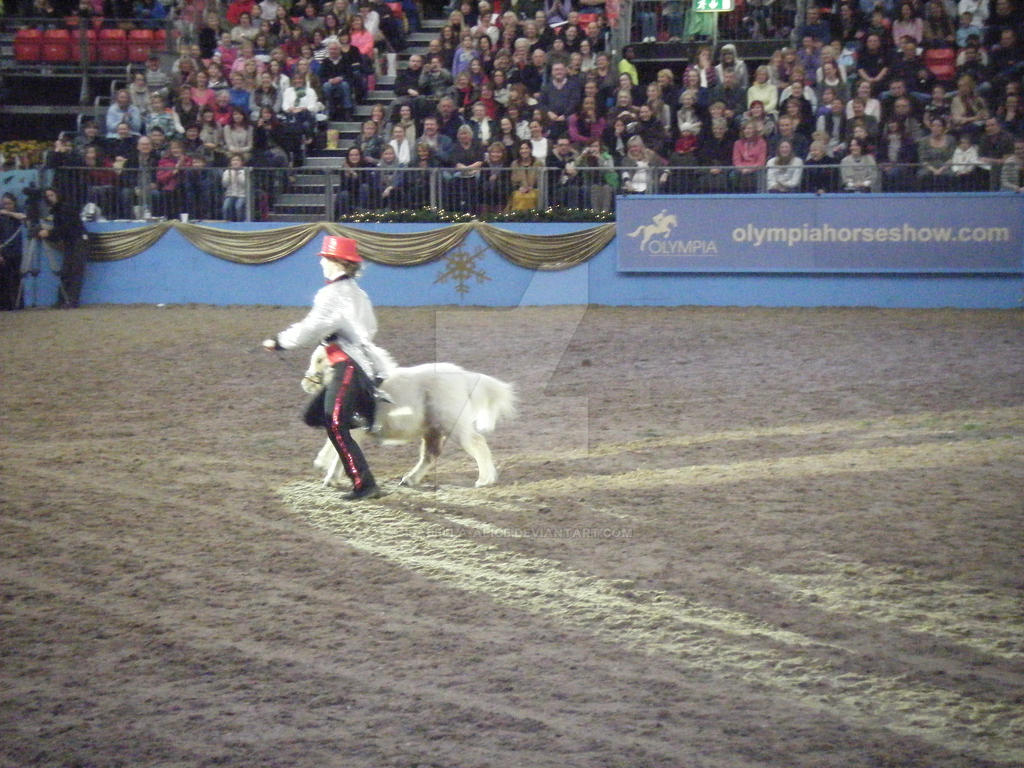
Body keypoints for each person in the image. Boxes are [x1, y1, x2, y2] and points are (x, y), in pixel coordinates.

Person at [262, 235, 393, 500]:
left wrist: (280, 341)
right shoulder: (358, 293)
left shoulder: (333, 294)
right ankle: (358, 414)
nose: (321, 263)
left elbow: (313, 327)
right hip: (359, 364)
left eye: (324, 258)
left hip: (349, 364)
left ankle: (364, 484)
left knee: (334, 423)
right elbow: (370, 328)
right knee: (313, 415)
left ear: (335, 261)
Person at [38, 187, 88, 308]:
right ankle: (65, 299)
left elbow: (65, 228)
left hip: (77, 241)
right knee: (67, 271)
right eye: (48, 196)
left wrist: (49, 233)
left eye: (51, 195)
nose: (49, 198)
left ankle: (71, 300)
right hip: (72, 242)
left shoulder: (63, 209)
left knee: (74, 271)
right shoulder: (58, 210)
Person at [0, 193, 26, 311]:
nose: (7, 206)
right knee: (4, 279)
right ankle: (5, 305)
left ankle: (17, 303)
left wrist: (9, 213)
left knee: (15, 278)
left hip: (15, 251)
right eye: (4, 204)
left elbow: (24, 217)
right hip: (4, 251)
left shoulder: (17, 214)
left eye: (9, 203)